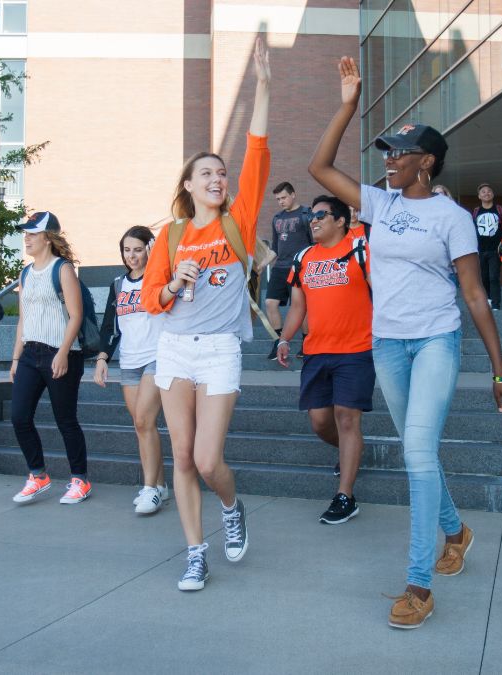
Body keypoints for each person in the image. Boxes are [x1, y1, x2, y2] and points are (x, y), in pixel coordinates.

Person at [309, 57, 502, 630]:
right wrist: (347, 105)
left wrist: (501, 372)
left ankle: (418, 584)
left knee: (417, 454)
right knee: (417, 449)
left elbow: (475, 296)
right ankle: (456, 531)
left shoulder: (453, 218)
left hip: (435, 342)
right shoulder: (383, 205)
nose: (388, 161)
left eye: (398, 154)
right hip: (388, 345)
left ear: (427, 162)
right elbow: (319, 166)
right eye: (386, 154)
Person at [141, 37, 271, 593]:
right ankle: (195, 552)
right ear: (189, 186)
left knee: (208, 457)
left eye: (223, 172)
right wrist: (172, 282)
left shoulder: (237, 220)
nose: (219, 179)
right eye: (208, 174)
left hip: (219, 349)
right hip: (174, 349)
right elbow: (150, 299)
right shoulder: (170, 235)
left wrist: (264, 87)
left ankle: (232, 505)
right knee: (183, 459)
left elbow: (259, 151)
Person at [276, 194, 372, 525]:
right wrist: (284, 338)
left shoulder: (361, 250)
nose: (312, 220)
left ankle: (345, 496)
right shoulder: (303, 258)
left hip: (357, 349)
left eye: (320, 215)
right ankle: (352, 452)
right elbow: (298, 306)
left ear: (341, 220)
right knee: (320, 421)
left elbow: (382, 293)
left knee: (347, 417)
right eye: (311, 216)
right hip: (316, 352)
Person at [9, 211, 91, 505]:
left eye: (33, 233)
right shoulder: (25, 273)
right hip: (31, 353)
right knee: (19, 416)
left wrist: (63, 352)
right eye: (26, 233)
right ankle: (38, 475)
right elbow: (23, 319)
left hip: (61, 352)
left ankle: (80, 480)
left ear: (48, 238)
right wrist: (16, 359)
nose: (27, 238)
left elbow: (76, 315)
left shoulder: (63, 269)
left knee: (65, 419)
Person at [94, 226, 168, 515]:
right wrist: (102, 358)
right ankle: (160, 486)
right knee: (143, 427)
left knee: (143, 420)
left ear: (149, 249)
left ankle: (149, 489)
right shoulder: (118, 284)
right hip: (129, 361)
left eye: (138, 249)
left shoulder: (160, 279)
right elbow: (109, 326)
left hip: (157, 357)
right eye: (127, 250)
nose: (132, 255)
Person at [265, 181, 313, 360]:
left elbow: (314, 244)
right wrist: (261, 264)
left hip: (301, 267)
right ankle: (279, 340)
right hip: (280, 267)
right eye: (278, 199)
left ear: (293, 194)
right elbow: (275, 248)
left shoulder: (307, 214)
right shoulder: (277, 218)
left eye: (283, 197)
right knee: (270, 303)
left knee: (301, 307)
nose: (281, 201)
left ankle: (306, 342)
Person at [472, 183, 502, 311]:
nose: (486, 193)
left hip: (496, 250)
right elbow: (471, 231)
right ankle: (488, 299)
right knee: (483, 277)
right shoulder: (476, 212)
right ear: (479, 196)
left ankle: (495, 304)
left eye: (489, 191)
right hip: (480, 250)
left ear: (493, 194)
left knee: (494, 277)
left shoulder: (500, 210)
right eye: (483, 192)